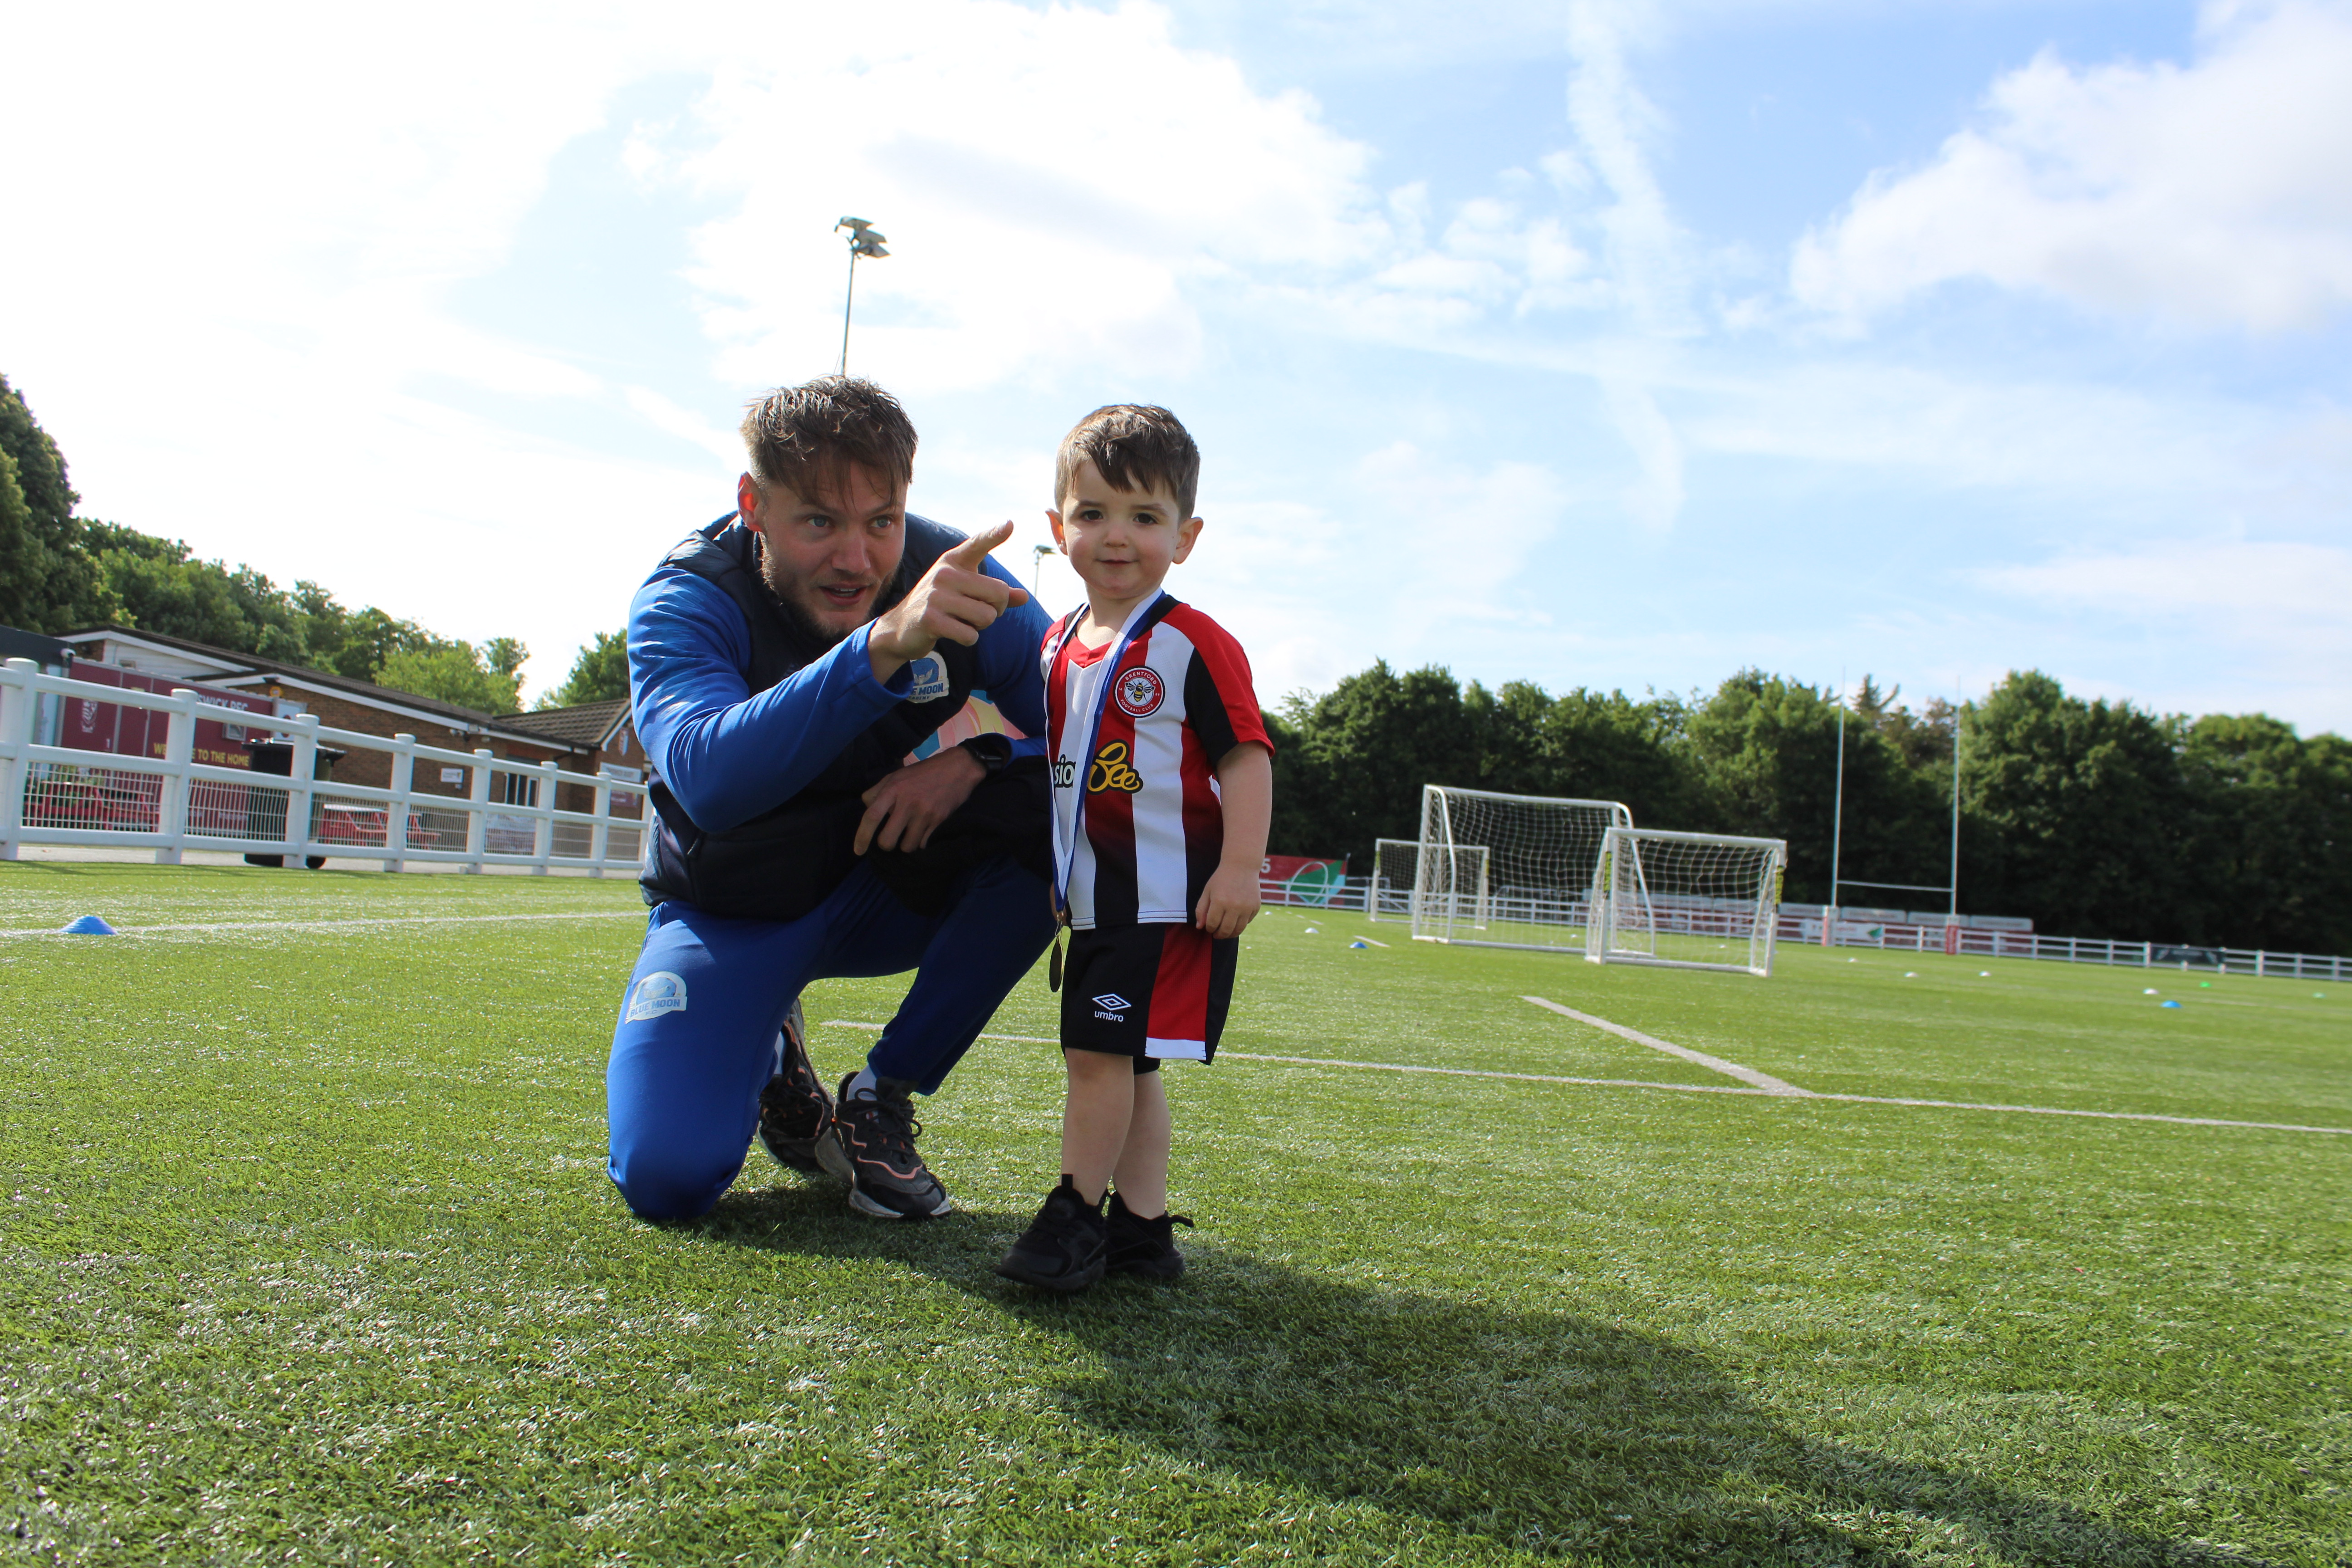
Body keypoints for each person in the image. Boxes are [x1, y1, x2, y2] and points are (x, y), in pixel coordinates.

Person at [607, 376, 1058, 1223]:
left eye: (879, 522)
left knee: (1057, 825)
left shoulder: (950, 573)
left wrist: (983, 757)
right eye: (820, 521)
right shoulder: (687, 598)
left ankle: (880, 1094)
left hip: (875, 884)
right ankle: (772, 1051)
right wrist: (880, 648)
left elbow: (1095, 734)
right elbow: (708, 780)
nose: (856, 560)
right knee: (666, 1178)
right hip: (735, 908)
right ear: (754, 506)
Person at [994, 405, 1273, 1292]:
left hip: (1166, 902)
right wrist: (1058, 873)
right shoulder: (1056, 645)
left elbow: (1247, 755)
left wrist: (1239, 868)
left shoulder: (1194, 643)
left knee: (1096, 1057)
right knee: (1131, 1060)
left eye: (1145, 517)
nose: (1117, 537)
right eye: (1093, 513)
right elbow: (1065, 772)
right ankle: (1143, 1232)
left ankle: (1074, 1214)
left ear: (1184, 536)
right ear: (1057, 528)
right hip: (1096, 901)